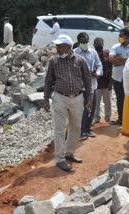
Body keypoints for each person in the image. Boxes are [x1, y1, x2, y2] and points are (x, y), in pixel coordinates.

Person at [44, 34, 92, 171]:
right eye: (57, 46)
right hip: (60, 98)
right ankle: (59, 158)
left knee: (76, 127)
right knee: (59, 129)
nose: (57, 49)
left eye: (60, 46)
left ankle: (69, 152)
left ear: (69, 47)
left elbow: (88, 80)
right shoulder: (54, 61)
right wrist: (46, 99)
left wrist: (89, 99)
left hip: (77, 98)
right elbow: (48, 81)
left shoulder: (80, 60)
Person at [74, 32, 103, 140]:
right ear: (78, 42)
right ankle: (81, 131)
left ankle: (88, 129)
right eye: (83, 42)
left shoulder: (93, 52)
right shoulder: (75, 53)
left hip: (93, 85)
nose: (85, 44)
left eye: (86, 42)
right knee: (82, 109)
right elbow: (73, 69)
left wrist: (98, 73)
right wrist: (85, 73)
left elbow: (99, 65)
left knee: (92, 107)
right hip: (81, 87)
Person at [109, 28, 129, 125]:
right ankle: (121, 119)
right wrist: (126, 61)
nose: (119, 38)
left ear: (127, 37)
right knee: (120, 98)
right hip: (117, 77)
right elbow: (111, 58)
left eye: (121, 36)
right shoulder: (115, 46)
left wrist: (120, 60)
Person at [93, 37, 113, 123]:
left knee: (107, 102)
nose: (99, 45)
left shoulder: (107, 54)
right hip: (96, 84)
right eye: (97, 44)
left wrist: (111, 82)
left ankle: (108, 117)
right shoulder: (92, 54)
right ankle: (96, 118)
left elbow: (112, 68)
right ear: (94, 45)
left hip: (107, 83)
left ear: (103, 44)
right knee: (96, 103)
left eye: (100, 43)